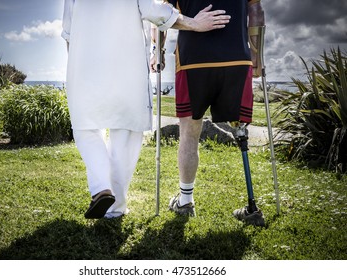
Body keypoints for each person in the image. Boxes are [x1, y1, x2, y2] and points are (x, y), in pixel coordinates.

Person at [61, 0, 231, 219]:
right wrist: (194, 23)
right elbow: (157, 12)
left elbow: (68, 33)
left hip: (84, 68)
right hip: (126, 70)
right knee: (125, 135)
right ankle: (115, 208)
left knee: (86, 129)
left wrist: (76, 68)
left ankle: (102, 188)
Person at [151, 0, 265, 219]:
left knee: (189, 133)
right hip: (237, 58)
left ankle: (185, 202)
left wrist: (159, 52)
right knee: (241, 129)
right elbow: (256, 11)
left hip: (193, 60)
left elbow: (162, 14)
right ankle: (252, 207)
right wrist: (257, 55)